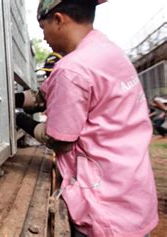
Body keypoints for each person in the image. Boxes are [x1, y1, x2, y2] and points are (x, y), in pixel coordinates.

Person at [15, 0, 159, 236]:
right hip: (132, 195)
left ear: (59, 19)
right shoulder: (108, 51)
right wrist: (14, 100)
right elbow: (43, 95)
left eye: (43, 29)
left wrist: (22, 121)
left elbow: (60, 141)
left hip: (104, 207)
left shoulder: (72, 68)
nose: (45, 39)